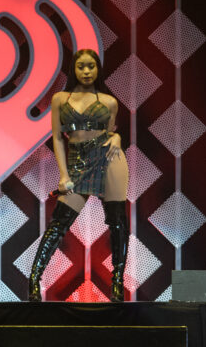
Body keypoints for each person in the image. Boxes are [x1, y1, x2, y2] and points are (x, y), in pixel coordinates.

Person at [28, 48, 129, 302]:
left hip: (109, 160)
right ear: (73, 69)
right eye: (81, 66)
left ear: (98, 69)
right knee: (60, 222)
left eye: (91, 66)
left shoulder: (109, 101)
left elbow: (110, 132)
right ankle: (34, 279)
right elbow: (57, 138)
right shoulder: (60, 99)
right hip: (77, 161)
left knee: (117, 220)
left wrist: (117, 137)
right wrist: (64, 175)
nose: (86, 71)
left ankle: (117, 282)